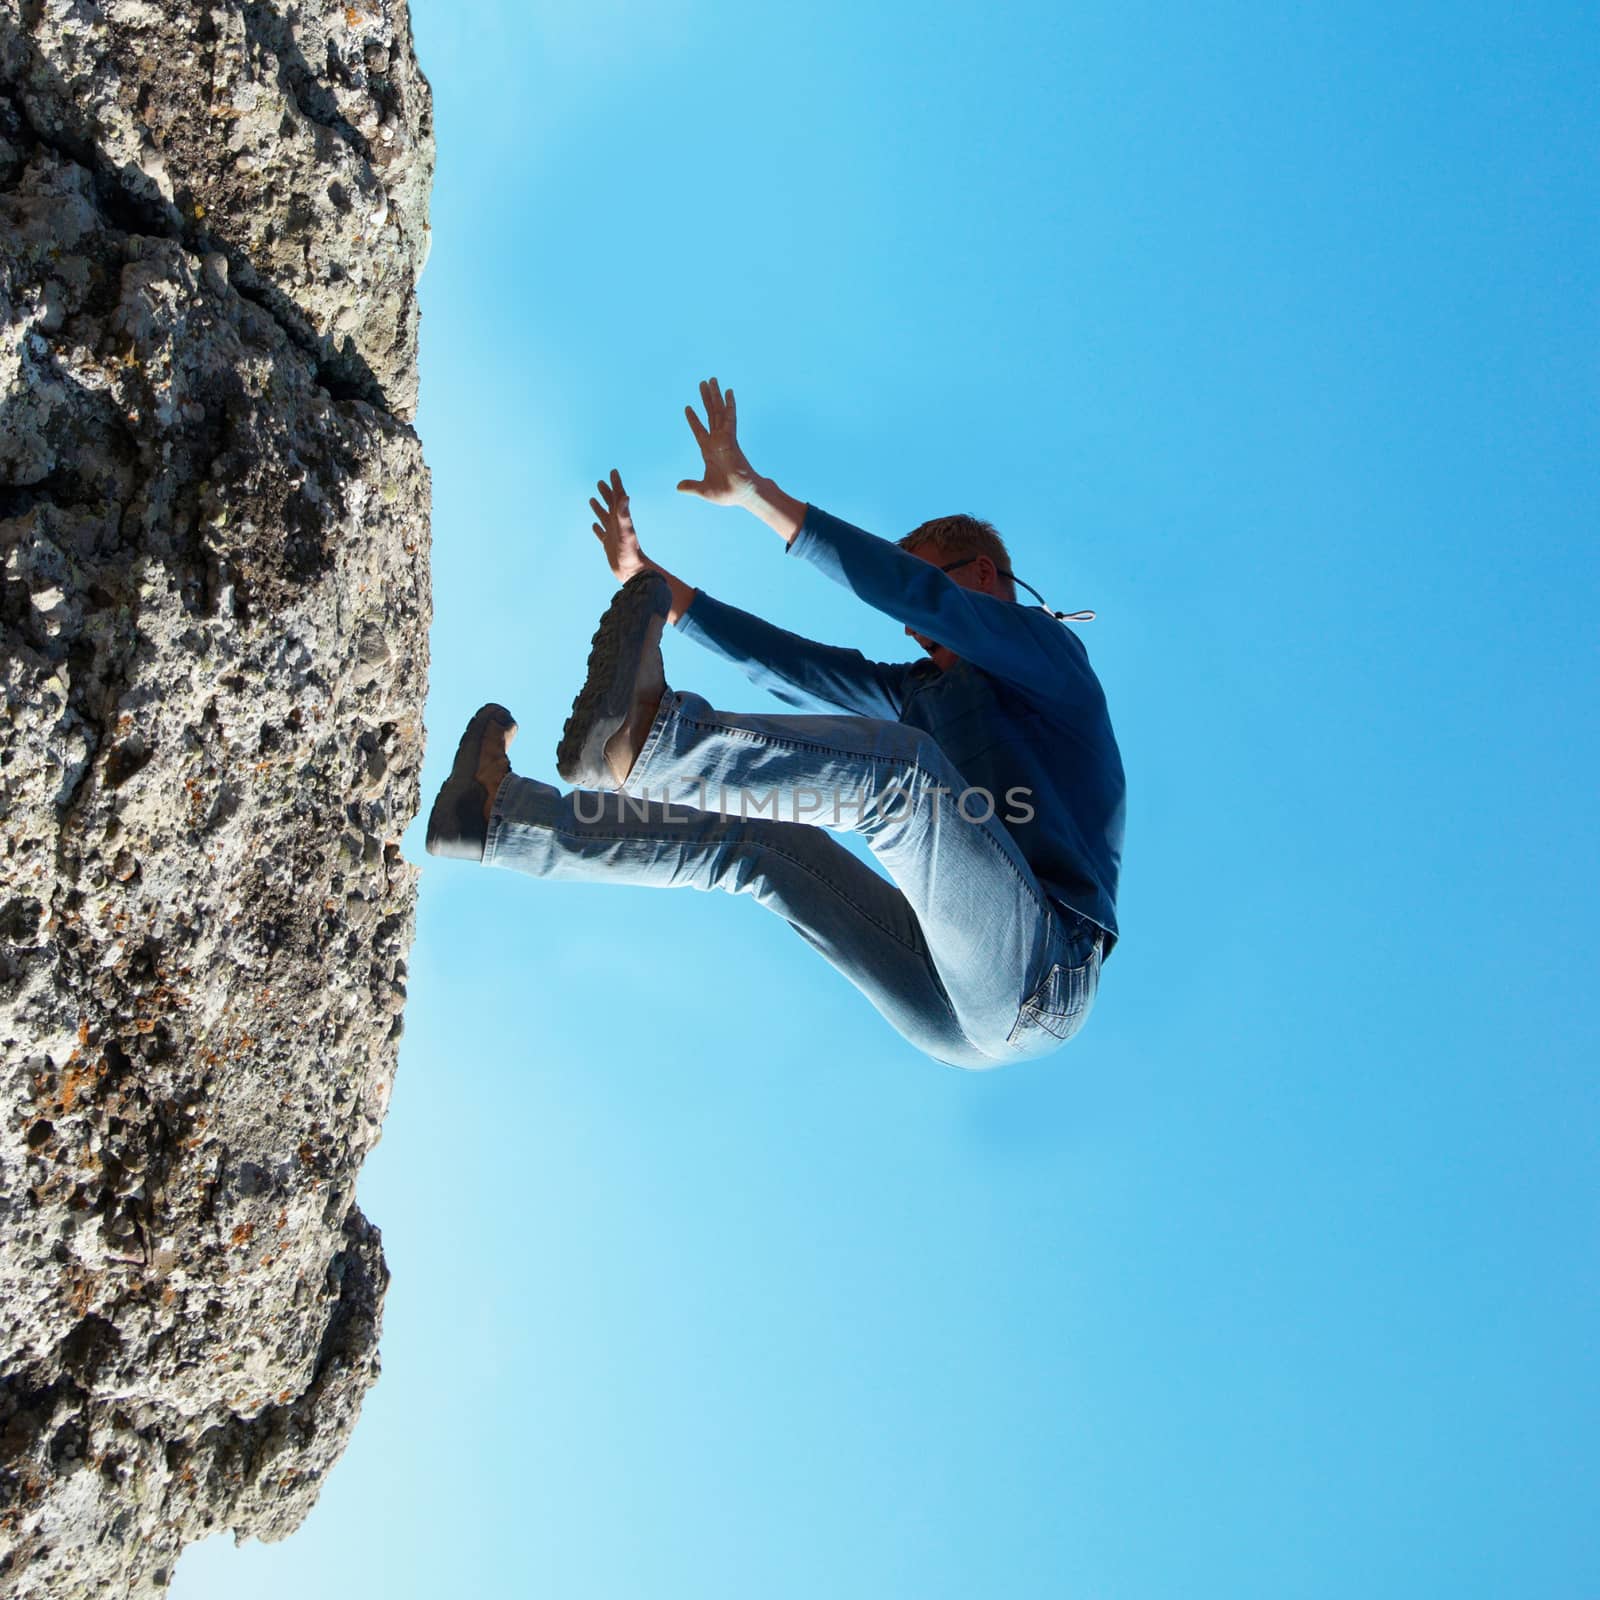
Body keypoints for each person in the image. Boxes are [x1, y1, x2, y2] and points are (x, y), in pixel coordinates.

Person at [425, 378, 1125, 1070]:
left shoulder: (1047, 653)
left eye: (931, 597)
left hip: (1044, 970)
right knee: (757, 840)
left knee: (904, 779)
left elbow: (927, 601)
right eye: (911, 623)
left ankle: (646, 741)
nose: (912, 631)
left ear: (981, 576)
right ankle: (499, 820)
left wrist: (758, 494)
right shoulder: (926, 693)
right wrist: (654, 582)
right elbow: (798, 670)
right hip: (955, 1007)